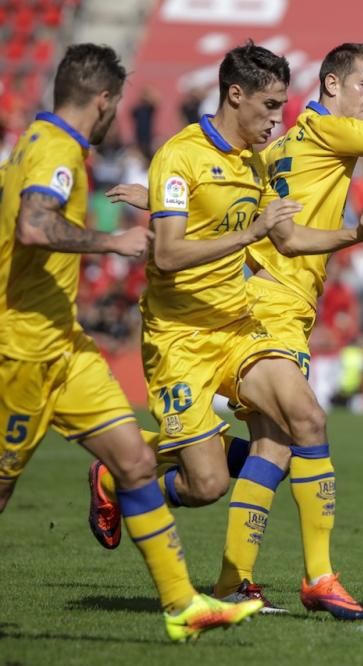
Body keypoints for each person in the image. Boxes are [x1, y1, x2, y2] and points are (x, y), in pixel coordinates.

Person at [94, 7, 363, 619]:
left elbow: (242, 202)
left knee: (273, 450)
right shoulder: (325, 129)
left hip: (261, 304)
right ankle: (302, 576)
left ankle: (237, 580)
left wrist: (161, 197)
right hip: (267, 308)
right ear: (331, 87)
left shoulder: (271, 149)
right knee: (283, 439)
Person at [0, 43, 263, 642]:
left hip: (64, 345)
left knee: (136, 460)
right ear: (105, 100)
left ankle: (182, 607)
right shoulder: (57, 149)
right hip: (22, 352)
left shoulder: (34, 144)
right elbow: (35, 226)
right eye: (116, 104)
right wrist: (111, 242)